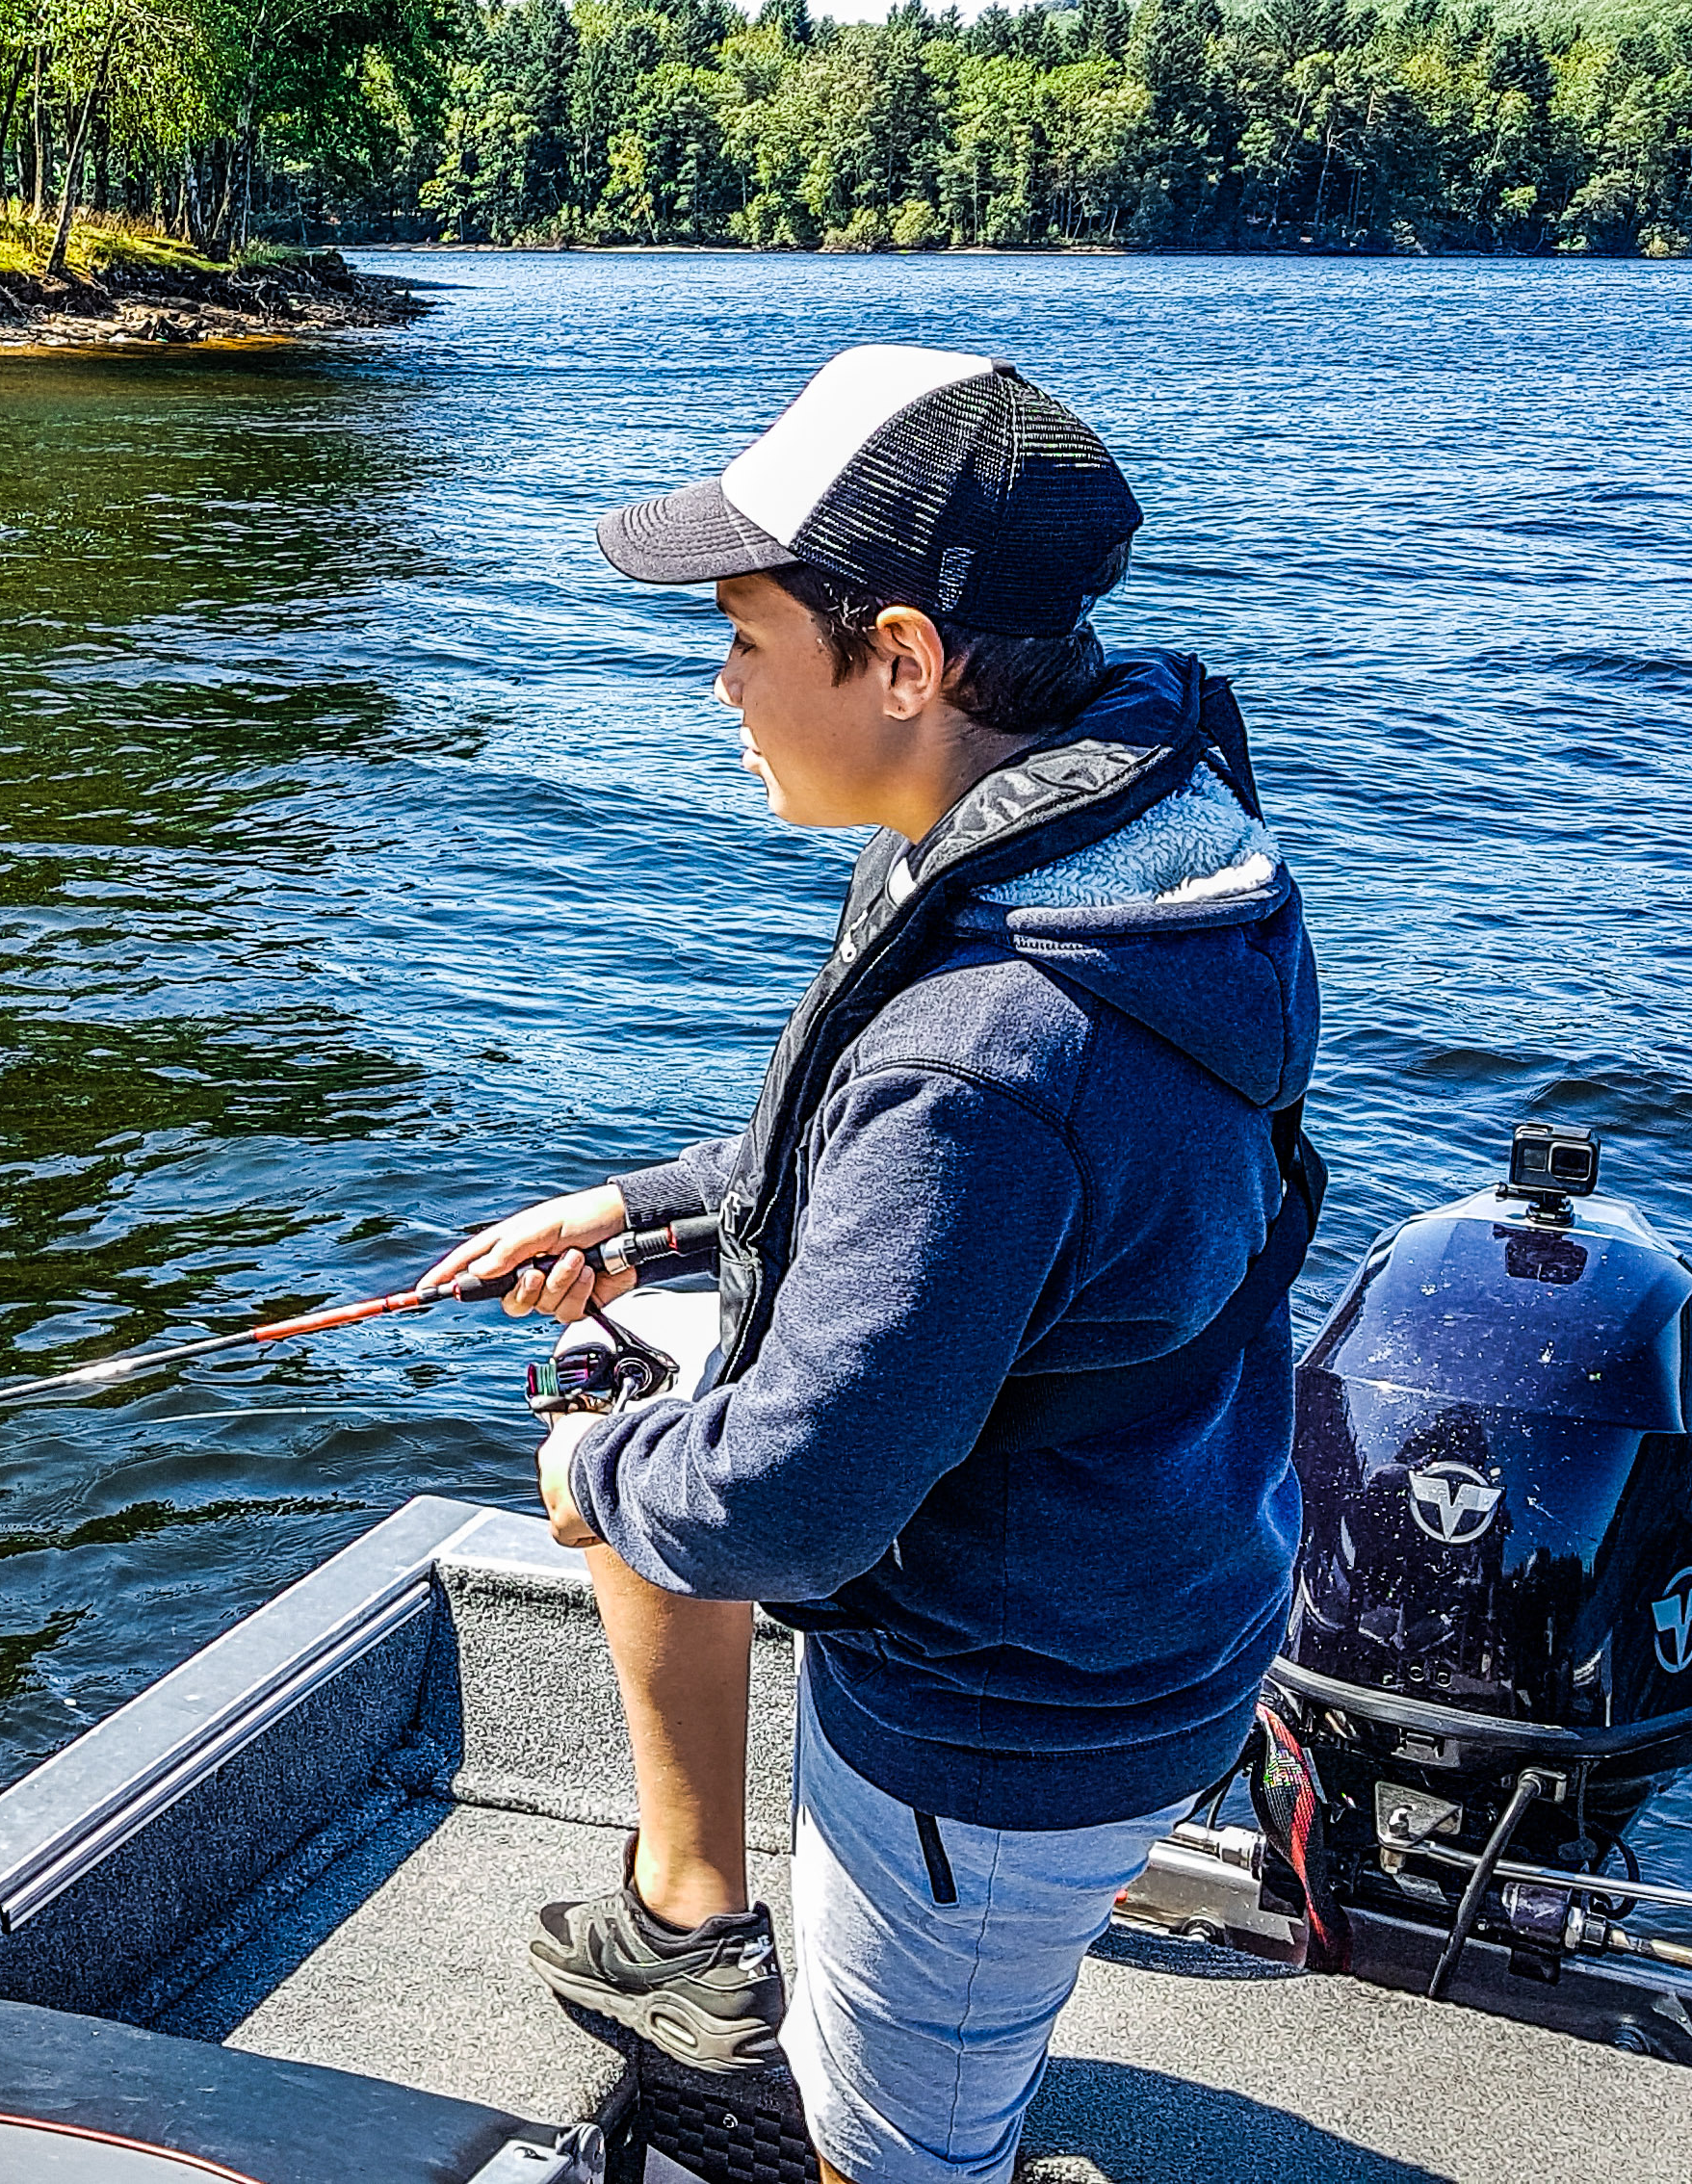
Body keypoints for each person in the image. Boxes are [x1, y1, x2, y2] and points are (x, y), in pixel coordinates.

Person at [421, 346, 1322, 2184]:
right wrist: (650, 1210)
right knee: (638, 1383)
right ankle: (693, 1928)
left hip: (990, 1734)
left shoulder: (987, 1049)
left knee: (888, 2146)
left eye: (746, 633)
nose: (720, 680)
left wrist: (587, 1471)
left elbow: (801, 1499)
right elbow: (879, 1145)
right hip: (1155, 1579)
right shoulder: (1116, 829)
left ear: (902, 659)